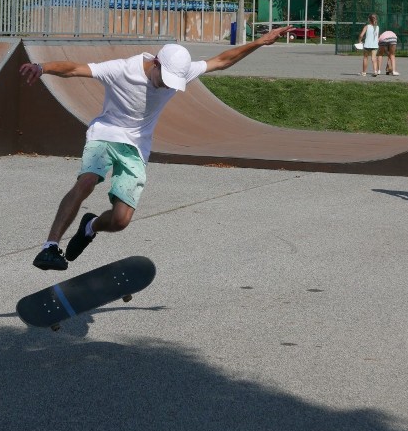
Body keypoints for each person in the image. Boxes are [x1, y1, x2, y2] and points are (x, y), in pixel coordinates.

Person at [20, 26, 295, 270]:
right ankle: (50, 247)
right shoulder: (121, 69)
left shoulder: (180, 72)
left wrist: (259, 42)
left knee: (120, 221)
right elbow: (75, 69)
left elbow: (222, 61)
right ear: (155, 62)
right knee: (87, 181)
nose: (166, 85)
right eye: (163, 78)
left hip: (137, 147)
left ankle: (90, 227)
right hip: (105, 134)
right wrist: (42, 67)